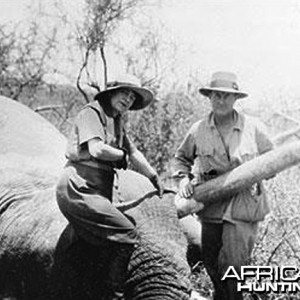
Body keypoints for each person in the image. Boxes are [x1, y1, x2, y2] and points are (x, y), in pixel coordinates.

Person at [56, 76, 164, 299]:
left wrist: (153, 176)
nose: (128, 99)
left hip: (98, 189)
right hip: (79, 187)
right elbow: (97, 150)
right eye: (125, 92)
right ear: (111, 92)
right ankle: (113, 294)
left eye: (133, 96)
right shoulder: (91, 113)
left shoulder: (117, 121)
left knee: (92, 247)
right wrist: (120, 155)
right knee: (125, 233)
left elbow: (133, 153)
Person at [173, 71, 274, 300]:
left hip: (244, 204)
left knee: (233, 265)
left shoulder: (254, 127)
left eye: (226, 96)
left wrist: (263, 172)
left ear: (235, 99)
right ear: (209, 97)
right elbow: (181, 158)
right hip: (211, 202)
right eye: (216, 95)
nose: (221, 100)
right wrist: (183, 179)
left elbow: (271, 158)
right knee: (211, 261)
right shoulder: (198, 129)